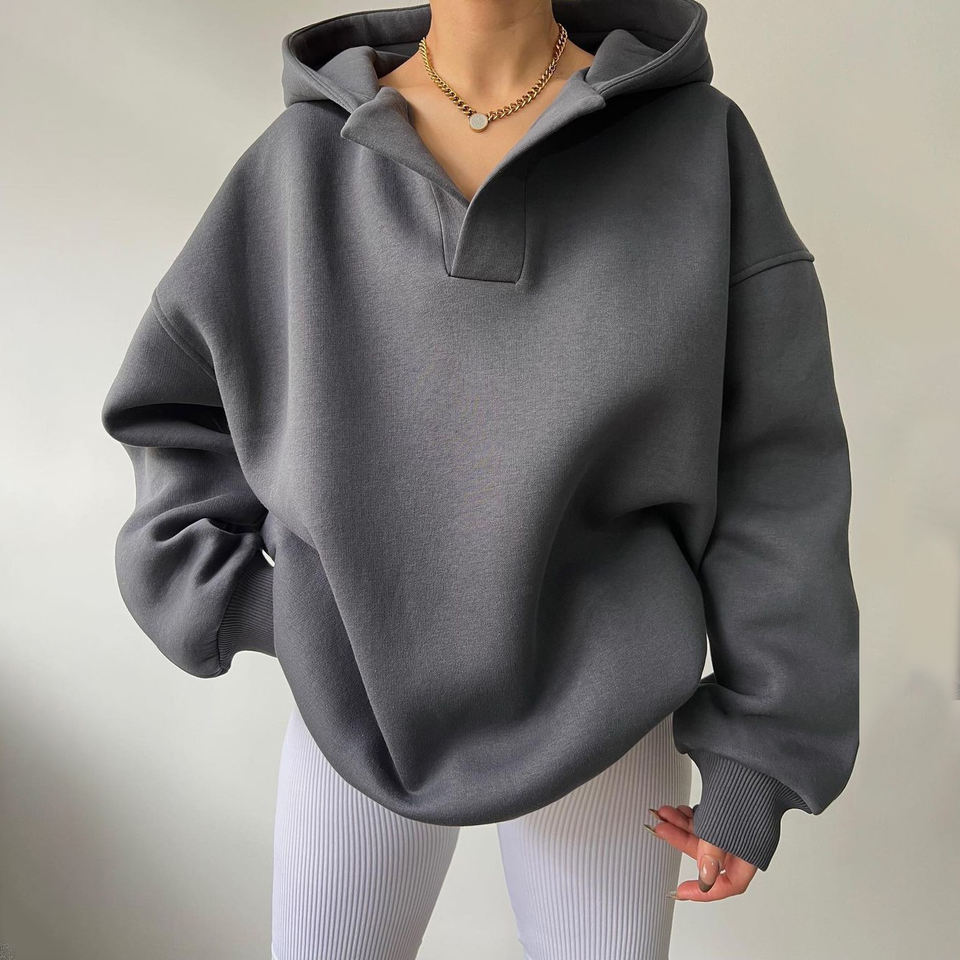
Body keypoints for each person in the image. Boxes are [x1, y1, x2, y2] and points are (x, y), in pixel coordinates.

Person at [100, 1, 860, 957]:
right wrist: (265, 608)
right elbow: (174, 406)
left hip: (608, 712)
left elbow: (778, 468)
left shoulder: (700, 148)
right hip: (353, 704)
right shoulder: (302, 162)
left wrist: (762, 750)